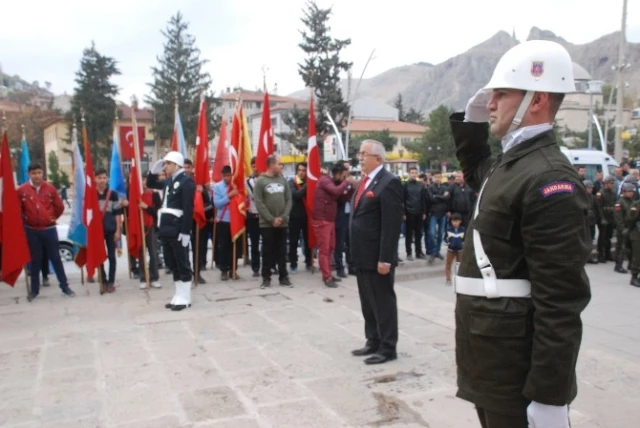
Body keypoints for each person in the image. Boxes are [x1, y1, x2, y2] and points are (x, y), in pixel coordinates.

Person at [450, 40, 591, 428]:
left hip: (515, 366)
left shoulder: (548, 178)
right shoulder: (511, 165)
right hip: (489, 355)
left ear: (536, 100)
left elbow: (561, 302)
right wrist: (475, 116)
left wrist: (549, 396)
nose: (491, 103)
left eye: (501, 93)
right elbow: (476, 166)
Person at [349, 139, 403, 365]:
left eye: (364, 154)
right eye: (360, 153)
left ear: (378, 159)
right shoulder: (366, 181)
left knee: (382, 302)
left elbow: (391, 226)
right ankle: (373, 339)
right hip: (362, 254)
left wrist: (385, 258)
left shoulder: (389, 183)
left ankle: (388, 347)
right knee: (367, 301)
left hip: (377, 256)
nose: (360, 157)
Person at [17, 162, 75, 300]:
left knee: (56, 258)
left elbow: (59, 207)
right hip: (31, 230)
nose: (37, 176)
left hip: (49, 229)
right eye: (34, 173)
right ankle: (34, 290)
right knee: (35, 260)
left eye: (39, 173)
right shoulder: (22, 190)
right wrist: (25, 221)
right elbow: (18, 209)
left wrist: (51, 217)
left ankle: (65, 286)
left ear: (43, 173)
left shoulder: (50, 188)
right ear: (29, 174)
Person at [147, 151, 195, 311]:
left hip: (177, 226)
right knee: (171, 262)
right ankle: (178, 294)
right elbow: (150, 184)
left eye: (168, 163)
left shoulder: (186, 182)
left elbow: (188, 209)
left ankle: (185, 297)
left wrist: (186, 231)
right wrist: (153, 171)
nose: (165, 167)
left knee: (182, 263)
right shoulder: (169, 181)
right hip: (166, 227)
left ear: (176, 164)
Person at [312, 162, 354, 288]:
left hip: (330, 219)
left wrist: (351, 188)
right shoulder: (325, 181)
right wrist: (347, 183)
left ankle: (329, 273)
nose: (344, 179)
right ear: (337, 174)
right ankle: (327, 277)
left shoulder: (333, 182)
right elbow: (336, 192)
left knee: (331, 247)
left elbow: (342, 198)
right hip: (322, 220)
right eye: (343, 176)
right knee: (324, 250)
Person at [253, 155, 292, 289]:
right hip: (267, 224)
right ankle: (266, 278)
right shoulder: (261, 181)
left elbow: (289, 200)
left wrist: (283, 217)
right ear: (271, 165)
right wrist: (271, 219)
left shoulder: (283, 180)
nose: (281, 166)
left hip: (283, 223)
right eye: (279, 164)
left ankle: (284, 277)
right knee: (267, 251)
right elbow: (258, 202)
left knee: (282, 251)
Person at [95, 168, 122, 293]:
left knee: (112, 257)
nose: (102, 180)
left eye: (104, 178)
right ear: (95, 179)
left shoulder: (112, 194)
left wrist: (118, 230)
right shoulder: (91, 194)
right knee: (99, 257)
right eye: (99, 178)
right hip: (97, 231)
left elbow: (117, 213)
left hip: (111, 229)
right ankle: (103, 280)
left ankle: (111, 282)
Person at [138, 172, 163, 289]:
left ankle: (154, 277)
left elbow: (158, 212)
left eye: (145, 180)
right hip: (139, 227)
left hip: (151, 227)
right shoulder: (137, 195)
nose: (144, 183)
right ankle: (143, 277)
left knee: (153, 253)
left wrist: (146, 207)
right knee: (141, 253)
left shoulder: (155, 195)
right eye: (142, 180)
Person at [213, 165, 236, 281]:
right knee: (223, 246)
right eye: (225, 176)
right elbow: (217, 204)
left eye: (229, 175)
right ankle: (223, 270)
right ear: (222, 175)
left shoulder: (236, 185)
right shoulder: (217, 187)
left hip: (235, 220)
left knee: (234, 246)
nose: (227, 178)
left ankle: (233, 269)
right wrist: (229, 196)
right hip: (223, 220)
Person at [288, 162, 311, 273]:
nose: (302, 172)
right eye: (300, 170)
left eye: (304, 170)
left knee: (308, 241)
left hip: (307, 216)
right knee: (293, 241)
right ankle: (293, 263)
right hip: (294, 216)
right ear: (297, 171)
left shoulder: (309, 182)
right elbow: (296, 195)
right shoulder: (292, 182)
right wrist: (306, 186)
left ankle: (309, 262)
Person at [403, 166, 427, 260]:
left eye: (415, 173)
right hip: (409, 212)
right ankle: (409, 253)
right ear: (409, 174)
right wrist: (403, 213)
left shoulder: (421, 185)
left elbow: (423, 199)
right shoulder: (405, 185)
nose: (414, 174)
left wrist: (424, 212)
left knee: (419, 233)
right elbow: (402, 199)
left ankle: (419, 252)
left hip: (419, 212)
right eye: (412, 173)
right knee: (409, 234)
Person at [614, 182, 635, 274]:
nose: (631, 193)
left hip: (631, 228)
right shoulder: (619, 203)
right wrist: (622, 229)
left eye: (632, 191)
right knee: (622, 247)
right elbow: (618, 218)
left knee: (631, 247)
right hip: (623, 228)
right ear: (624, 192)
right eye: (629, 191)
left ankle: (631, 264)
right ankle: (618, 266)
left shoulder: (632, 201)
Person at [246, 157, 262, 277]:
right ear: (251, 166)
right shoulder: (248, 181)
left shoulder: (266, 180)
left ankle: (270, 265)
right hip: (253, 215)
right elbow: (255, 194)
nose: (256, 168)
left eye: (258, 165)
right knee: (255, 243)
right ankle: (255, 267)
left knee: (268, 242)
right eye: (254, 165)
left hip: (265, 216)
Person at [596, 176, 616, 262]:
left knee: (609, 237)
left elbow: (614, 206)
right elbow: (599, 207)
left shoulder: (612, 193)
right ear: (606, 183)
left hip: (610, 218)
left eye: (613, 183)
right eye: (611, 183)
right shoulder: (600, 193)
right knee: (602, 238)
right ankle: (601, 255)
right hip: (603, 218)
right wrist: (602, 218)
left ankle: (608, 254)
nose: (612, 185)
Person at [443, 212, 465, 285]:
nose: (455, 223)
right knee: (448, 265)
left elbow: (465, 239)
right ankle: (448, 279)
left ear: (460, 221)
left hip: (459, 250)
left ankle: (460, 279)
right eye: (453, 221)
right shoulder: (448, 229)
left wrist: (462, 244)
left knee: (460, 265)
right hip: (450, 250)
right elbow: (445, 239)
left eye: (456, 221)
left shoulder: (463, 230)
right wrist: (448, 243)